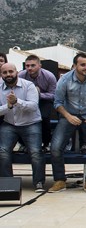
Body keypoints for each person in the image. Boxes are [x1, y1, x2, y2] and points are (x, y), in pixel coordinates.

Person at [49, 53, 86, 193]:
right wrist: (68, 116)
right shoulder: (65, 80)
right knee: (55, 147)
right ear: (75, 65)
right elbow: (57, 103)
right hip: (69, 115)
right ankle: (60, 180)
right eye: (83, 65)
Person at [0, 63, 45, 193]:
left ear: (16, 72)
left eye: (11, 72)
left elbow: (33, 107)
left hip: (30, 123)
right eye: (5, 72)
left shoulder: (28, 86)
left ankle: (39, 183)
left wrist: (17, 102)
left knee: (36, 152)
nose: (8, 75)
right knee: (2, 151)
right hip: (10, 124)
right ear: (1, 74)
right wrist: (7, 106)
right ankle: (7, 185)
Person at [18, 55, 57, 152]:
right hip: (26, 100)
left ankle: (46, 143)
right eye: (27, 66)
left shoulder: (49, 76)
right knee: (20, 117)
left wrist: (39, 95)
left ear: (40, 65)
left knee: (44, 117)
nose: (29, 68)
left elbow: (54, 95)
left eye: (32, 65)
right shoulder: (21, 76)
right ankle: (24, 144)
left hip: (44, 100)